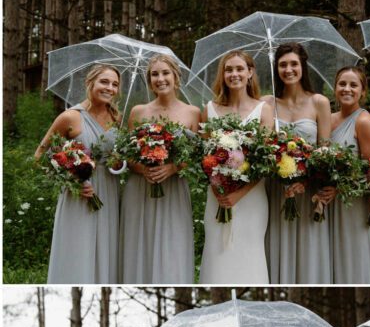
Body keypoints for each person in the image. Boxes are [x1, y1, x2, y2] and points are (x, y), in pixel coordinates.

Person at [36, 64, 121, 284]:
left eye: (115, 84)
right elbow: (40, 155)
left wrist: (118, 162)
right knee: (78, 247)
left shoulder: (116, 118)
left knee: (106, 248)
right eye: (104, 81)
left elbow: (118, 159)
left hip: (110, 191)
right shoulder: (70, 117)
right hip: (78, 193)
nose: (110, 88)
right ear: (89, 82)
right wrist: (73, 179)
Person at [120, 54, 199, 284]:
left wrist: (173, 167)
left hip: (173, 189)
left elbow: (197, 154)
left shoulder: (192, 112)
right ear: (149, 80)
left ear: (176, 77)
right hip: (140, 189)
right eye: (155, 74)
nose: (160, 78)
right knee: (139, 242)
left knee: (172, 243)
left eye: (165, 73)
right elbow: (127, 153)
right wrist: (142, 169)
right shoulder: (138, 112)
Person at [198, 50, 274, 284]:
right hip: (218, 195)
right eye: (228, 69)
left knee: (249, 254)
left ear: (250, 73)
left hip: (251, 196)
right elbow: (204, 157)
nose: (234, 74)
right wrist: (219, 189)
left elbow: (265, 161)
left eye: (239, 69)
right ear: (222, 75)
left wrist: (239, 193)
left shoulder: (264, 110)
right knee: (217, 250)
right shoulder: (209, 108)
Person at [263, 42, 332, 284]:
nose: (288, 69)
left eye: (294, 64)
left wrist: (307, 178)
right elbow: (261, 149)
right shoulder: (267, 103)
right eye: (283, 65)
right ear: (276, 69)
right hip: (276, 188)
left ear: (303, 66)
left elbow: (326, 149)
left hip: (308, 189)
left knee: (308, 249)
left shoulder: (319, 102)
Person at [328, 65, 370, 284]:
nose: (347, 89)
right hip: (328, 200)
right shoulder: (328, 119)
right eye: (342, 84)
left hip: (353, 202)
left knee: (352, 257)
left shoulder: (364, 121)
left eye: (353, 85)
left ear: (363, 91)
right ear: (335, 89)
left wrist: (340, 187)